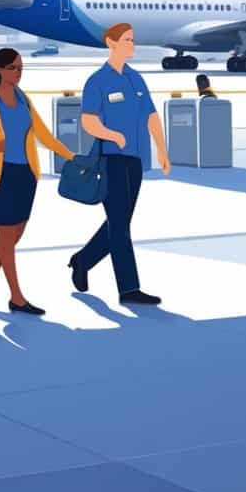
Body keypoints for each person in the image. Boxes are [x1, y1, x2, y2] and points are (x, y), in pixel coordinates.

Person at [69, 23, 170, 306]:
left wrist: (162, 150)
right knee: (120, 226)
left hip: (136, 161)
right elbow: (89, 120)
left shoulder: (136, 79)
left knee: (119, 222)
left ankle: (82, 260)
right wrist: (112, 135)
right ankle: (129, 289)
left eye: (133, 39)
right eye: (127, 40)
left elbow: (151, 116)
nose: (132, 44)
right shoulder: (98, 81)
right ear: (111, 43)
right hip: (110, 160)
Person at [0, 48, 74, 316]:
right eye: (12, 68)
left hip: (25, 174)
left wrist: (70, 156)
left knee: (13, 236)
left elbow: (43, 134)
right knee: (6, 235)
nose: (17, 73)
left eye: (20, 68)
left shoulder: (23, 98)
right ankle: (16, 297)